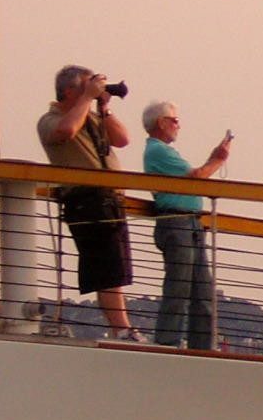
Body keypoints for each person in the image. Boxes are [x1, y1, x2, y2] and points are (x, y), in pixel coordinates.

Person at [37, 64, 139, 339]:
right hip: (87, 201)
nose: (92, 91)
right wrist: (86, 99)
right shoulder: (50, 119)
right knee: (108, 268)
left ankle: (122, 328)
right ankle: (121, 329)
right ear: (69, 91)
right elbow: (66, 131)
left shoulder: (92, 116)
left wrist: (104, 107)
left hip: (110, 199)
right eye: (86, 86)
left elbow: (122, 139)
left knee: (117, 267)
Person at [140, 100, 231, 349]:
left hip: (190, 223)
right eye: (175, 120)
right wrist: (219, 159)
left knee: (202, 290)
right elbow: (196, 177)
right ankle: (168, 344)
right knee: (179, 288)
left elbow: (193, 176)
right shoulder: (158, 150)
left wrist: (214, 158)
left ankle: (201, 347)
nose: (178, 126)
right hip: (177, 222)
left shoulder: (161, 151)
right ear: (161, 123)